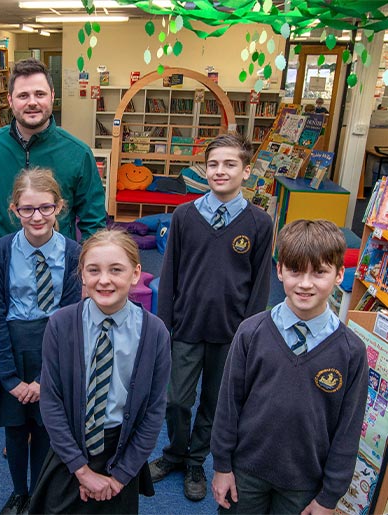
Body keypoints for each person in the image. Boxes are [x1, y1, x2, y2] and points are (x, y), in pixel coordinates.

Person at [211, 219, 368, 515]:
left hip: (305, 483)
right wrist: (221, 466)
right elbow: (228, 405)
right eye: (295, 270)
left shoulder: (351, 352)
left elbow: (348, 431)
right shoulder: (251, 333)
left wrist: (329, 497)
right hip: (246, 472)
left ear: (338, 275)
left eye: (319, 272)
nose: (305, 283)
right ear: (280, 269)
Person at [150, 133, 273, 501]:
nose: (220, 171)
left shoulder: (259, 223)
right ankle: (174, 451)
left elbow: (261, 285)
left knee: (216, 403)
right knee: (176, 400)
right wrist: (164, 325)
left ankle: (195, 460)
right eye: (213, 164)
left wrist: (250, 336)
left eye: (230, 164)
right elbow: (168, 274)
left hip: (231, 333)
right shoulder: (185, 216)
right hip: (186, 326)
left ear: (246, 171)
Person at [29, 229, 171, 515]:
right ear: (82, 274)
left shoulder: (155, 332)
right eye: (93, 270)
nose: (104, 280)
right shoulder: (60, 325)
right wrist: (82, 472)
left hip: (121, 452)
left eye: (116, 270)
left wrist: (119, 477)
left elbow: (154, 411)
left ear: (135, 273)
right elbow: (51, 402)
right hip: (70, 450)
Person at [0, 167, 82, 515]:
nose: (36, 216)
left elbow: (71, 319)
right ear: (14, 210)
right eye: (27, 209)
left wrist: (43, 379)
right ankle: (19, 493)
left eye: (45, 207)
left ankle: (39, 494)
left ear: (59, 207)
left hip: (54, 348)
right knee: (15, 427)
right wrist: (10, 379)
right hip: (11, 345)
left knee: (45, 428)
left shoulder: (73, 253)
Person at [0, 57, 106, 254]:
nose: (32, 102)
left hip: (60, 267)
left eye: (40, 94)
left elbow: (94, 221)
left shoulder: (78, 153)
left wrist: (84, 265)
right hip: (2, 266)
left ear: (52, 96)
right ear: (10, 100)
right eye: (23, 96)